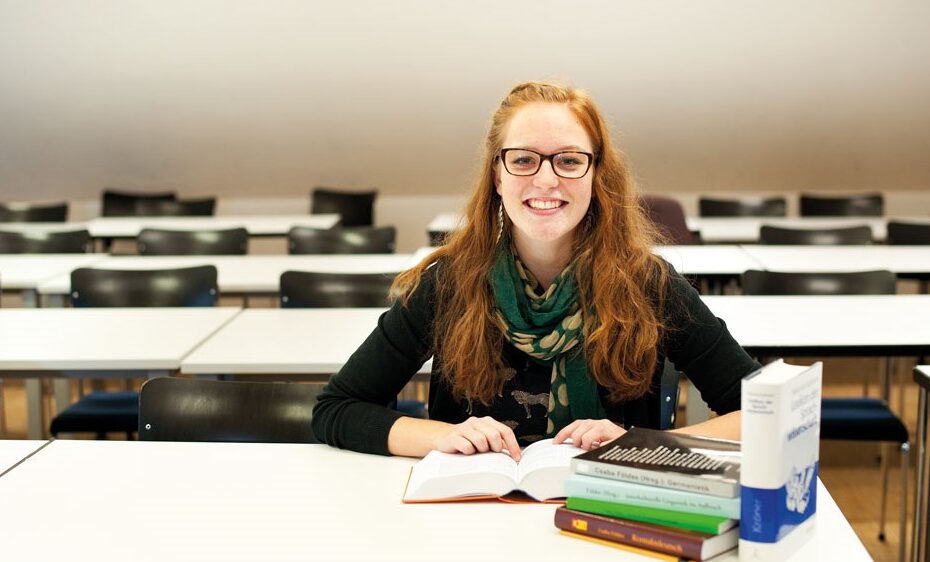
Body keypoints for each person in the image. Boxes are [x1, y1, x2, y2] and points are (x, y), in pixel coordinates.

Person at [312, 81, 760, 461]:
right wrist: (440, 436)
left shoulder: (648, 284)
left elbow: (764, 412)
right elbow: (336, 407)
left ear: (597, 175)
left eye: (569, 160)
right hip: (470, 513)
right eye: (524, 159)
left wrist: (643, 445)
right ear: (497, 176)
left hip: (606, 511)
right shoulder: (449, 283)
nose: (546, 180)